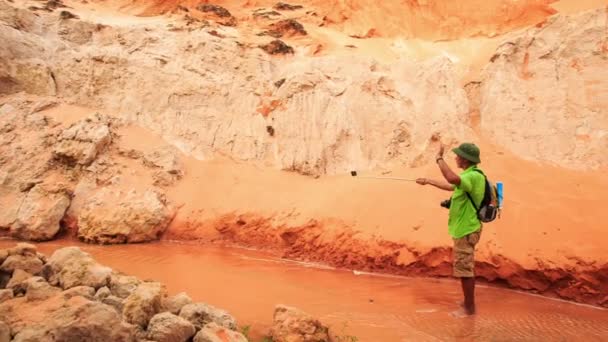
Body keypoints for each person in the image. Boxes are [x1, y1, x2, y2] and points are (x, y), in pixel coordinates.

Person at [416, 143, 485, 316]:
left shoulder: (473, 177)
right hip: (465, 228)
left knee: (464, 269)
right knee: (466, 266)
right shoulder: (469, 175)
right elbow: (452, 186)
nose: (455, 157)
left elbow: (452, 179)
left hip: (466, 229)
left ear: (465, 159)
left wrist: (439, 158)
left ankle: (469, 309)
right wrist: (428, 181)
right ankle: (468, 303)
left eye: (458, 155)